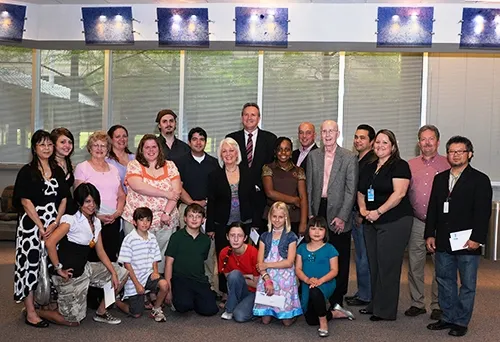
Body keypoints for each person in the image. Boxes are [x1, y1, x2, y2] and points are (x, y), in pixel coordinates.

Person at [425, 136, 492, 337]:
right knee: (444, 280)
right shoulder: (440, 178)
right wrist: (430, 234)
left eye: (460, 151)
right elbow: (433, 209)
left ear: (469, 154)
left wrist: (477, 238)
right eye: (451, 151)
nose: (455, 155)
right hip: (444, 240)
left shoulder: (480, 179)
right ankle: (447, 317)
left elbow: (483, 213)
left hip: (467, 241)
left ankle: (461, 322)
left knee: (467, 284)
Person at [38, 183, 128, 326]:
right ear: (79, 202)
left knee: (121, 272)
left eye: (94, 201)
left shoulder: (96, 222)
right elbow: (50, 243)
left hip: (85, 269)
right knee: (72, 321)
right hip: (69, 275)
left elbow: (100, 251)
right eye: (87, 201)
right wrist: (58, 268)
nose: (92, 205)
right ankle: (35, 312)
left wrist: (113, 272)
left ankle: (101, 312)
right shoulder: (71, 220)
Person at [13, 129, 69, 328]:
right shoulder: (27, 171)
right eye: (42, 145)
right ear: (35, 148)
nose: (46, 148)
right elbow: (25, 202)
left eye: (49, 144)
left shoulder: (58, 170)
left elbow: (63, 199)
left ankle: (45, 304)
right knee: (30, 266)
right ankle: (30, 312)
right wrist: (40, 225)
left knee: (52, 265)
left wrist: (55, 222)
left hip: (53, 225)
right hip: (31, 226)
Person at [357, 129, 413, 321]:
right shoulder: (369, 166)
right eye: (378, 142)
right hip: (371, 221)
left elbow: (399, 194)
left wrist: (378, 212)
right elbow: (361, 191)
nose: (380, 146)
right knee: (374, 264)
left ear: (393, 146)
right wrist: (364, 210)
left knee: (388, 266)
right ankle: (375, 304)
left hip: (394, 221)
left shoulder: (400, 166)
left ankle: (386, 311)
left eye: (385, 143)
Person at [306, 120, 358, 318]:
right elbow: (310, 186)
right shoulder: (313, 156)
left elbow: (350, 189)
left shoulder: (348, 157)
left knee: (340, 256)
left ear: (338, 133)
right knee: (318, 253)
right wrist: (311, 212)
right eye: (324, 131)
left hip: (339, 212)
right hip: (319, 208)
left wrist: (343, 216)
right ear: (320, 134)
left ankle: (337, 300)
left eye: (331, 131)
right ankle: (318, 293)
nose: (328, 135)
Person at [406, 125, 450, 320]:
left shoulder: (449, 164)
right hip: (417, 221)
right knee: (415, 263)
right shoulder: (410, 165)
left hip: (441, 223)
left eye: (431, 138)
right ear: (418, 143)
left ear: (438, 141)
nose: (427, 142)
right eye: (423, 139)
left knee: (440, 264)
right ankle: (417, 302)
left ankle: (438, 304)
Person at [122, 134, 181, 271]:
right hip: (137, 221)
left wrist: (167, 212)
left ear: (159, 149)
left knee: (161, 259)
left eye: (154, 146)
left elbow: (177, 191)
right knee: (138, 259)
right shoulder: (134, 165)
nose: (151, 150)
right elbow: (138, 185)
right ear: (141, 149)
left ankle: (157, 288)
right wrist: (165, 193)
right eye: (146, 147)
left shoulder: (170, 166)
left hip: (165, 221)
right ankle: (138, 289)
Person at [206, 137, 255, 294]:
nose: (228, 154)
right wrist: (210, 227)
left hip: (245, 222)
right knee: (224, 258)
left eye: (231, 150)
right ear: (220, 154)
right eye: (224, 151)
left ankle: (246, 289)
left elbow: (254, 198)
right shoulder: (214, 175)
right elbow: (211, 202)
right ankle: (225, 292)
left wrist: (255, 222)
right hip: (222, 224)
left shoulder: (248, 173)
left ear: (237, 153)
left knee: (244, 257)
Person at [175, 127, 219, 290]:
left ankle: (210, 287)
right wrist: (193, 203)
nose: (198, 142)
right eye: (194, 139)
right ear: (189, 142)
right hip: (187, 207)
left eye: (201, 139)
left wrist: (205, 202)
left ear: (205, 142)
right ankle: (184, 283)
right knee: (186, 246)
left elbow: (216, 188)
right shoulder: (180, 161)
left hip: (208, 208)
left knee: (209, 248)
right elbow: (178, 186)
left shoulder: (213, 162)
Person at [74, 131, 126, 262]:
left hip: (113, 220)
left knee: (111, 258)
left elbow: (121, 194)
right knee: (93, 260)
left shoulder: (113, 169)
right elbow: (79, 198)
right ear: (90, 148)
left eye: (103, 146)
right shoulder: (82, 168)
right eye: (95, 145)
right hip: (91, 221)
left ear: (108, 149)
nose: (99, 149)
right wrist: (96, 216)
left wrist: (118, 213)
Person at [227, 103, 277, 230]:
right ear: (241, 117)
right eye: (246, 114)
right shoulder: (231, 139)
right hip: (237, 199)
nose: (249, 118)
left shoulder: (270, 139)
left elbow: (273, 168)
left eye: (253, 115)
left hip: (262, 198)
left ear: (259, 118)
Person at [164, 204, 219, 316]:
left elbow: (203, 261)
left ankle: (197, 297)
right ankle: (186, 298)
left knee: (210, 310)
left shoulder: (205, 240)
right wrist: (168, 290)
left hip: (199, 280)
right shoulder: (176, 237)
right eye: (191, 216)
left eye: (198, 216)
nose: (194, 219)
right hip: (181, 279)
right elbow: (168, 264)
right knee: (183, 306)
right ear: (185, 218)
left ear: (203, 220)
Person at [253, 202, 302, 325]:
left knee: (286, 322)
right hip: (268, 276)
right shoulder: (264, 237)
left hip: (284, 277)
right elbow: (260, 263)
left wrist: (268, 265)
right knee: (265, 321)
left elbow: (289, 262)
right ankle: (272, 310)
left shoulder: (291, 237)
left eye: (280, 217)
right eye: (274, 216)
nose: (277, 220)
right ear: (270, 217)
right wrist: (267, 279)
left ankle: (291, 312)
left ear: (286, 218)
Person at [116, 207, 168, 322]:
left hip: (148, 274)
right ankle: (117, 301)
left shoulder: (152, 237)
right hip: (133, 279)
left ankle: (156, 308)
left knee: (164, 285)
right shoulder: (129, 239)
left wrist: (155, 271)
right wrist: (137, 284)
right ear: (135, 222)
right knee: (136, 314)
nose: (145, 223)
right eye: (141, 220)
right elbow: (127, 264)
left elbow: (155, 257)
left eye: (148, 220)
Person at [345, 124, 377, 307]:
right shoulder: (358, 159)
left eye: (362, 138)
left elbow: (368, 191)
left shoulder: (372, 162)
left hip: (363, 216)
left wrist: (362, 214)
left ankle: (366, 295)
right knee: (360, 255)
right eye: (356, 137)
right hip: (357, 213)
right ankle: (363, 292)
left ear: (371, 142)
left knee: (364, 256)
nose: (358, 140)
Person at [296, 216, 341, 338]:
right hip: (307, 283)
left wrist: (319, 281)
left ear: (326, 231)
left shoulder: (330, 249)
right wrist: (307, 280)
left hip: (325, 283)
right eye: (313, 228)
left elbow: (334, 270)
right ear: (308, 230)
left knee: (315, 292)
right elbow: (298, 269)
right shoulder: (301, 248)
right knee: (311, 321)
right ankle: (334, 314)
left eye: (320, 229)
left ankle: (323, 322)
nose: (316, 232)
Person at [262, 137, 308, 236]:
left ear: (291, 152)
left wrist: (303, 223)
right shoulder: (268, 168)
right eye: (280, 149)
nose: (283, 153)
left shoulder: (299, 171)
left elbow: (303, 197)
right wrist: (294, 200)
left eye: (287, 149)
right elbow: (270, 193)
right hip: (273, 218)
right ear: (275, 152)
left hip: (294, 218)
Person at [219, 222, 259, 322]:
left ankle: (257, 310)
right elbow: (230, 279)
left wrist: (240, 278)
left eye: (239, 236)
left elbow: (257, 284)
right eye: (232, 235)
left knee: (240, 316)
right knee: (235, 275)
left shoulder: (253, 252)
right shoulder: (224, 253)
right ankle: (230, 309)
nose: (236, 239)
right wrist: (246, 276)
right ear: (227, 237)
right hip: (237, 290)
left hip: (254, 292)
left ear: (245, 238)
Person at [50, 127, 77, 215]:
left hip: (67, 212)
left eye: (70, 142)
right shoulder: (47, 164)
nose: (67, 145)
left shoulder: (69, 164)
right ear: (53, 144)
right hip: (51, 211)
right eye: (62, 142)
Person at [106, 124, 135, 192]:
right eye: (117, 136)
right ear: (111, 140)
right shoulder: (107, 161)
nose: (122, 139)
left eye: (124, 136)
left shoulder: (135, 158)